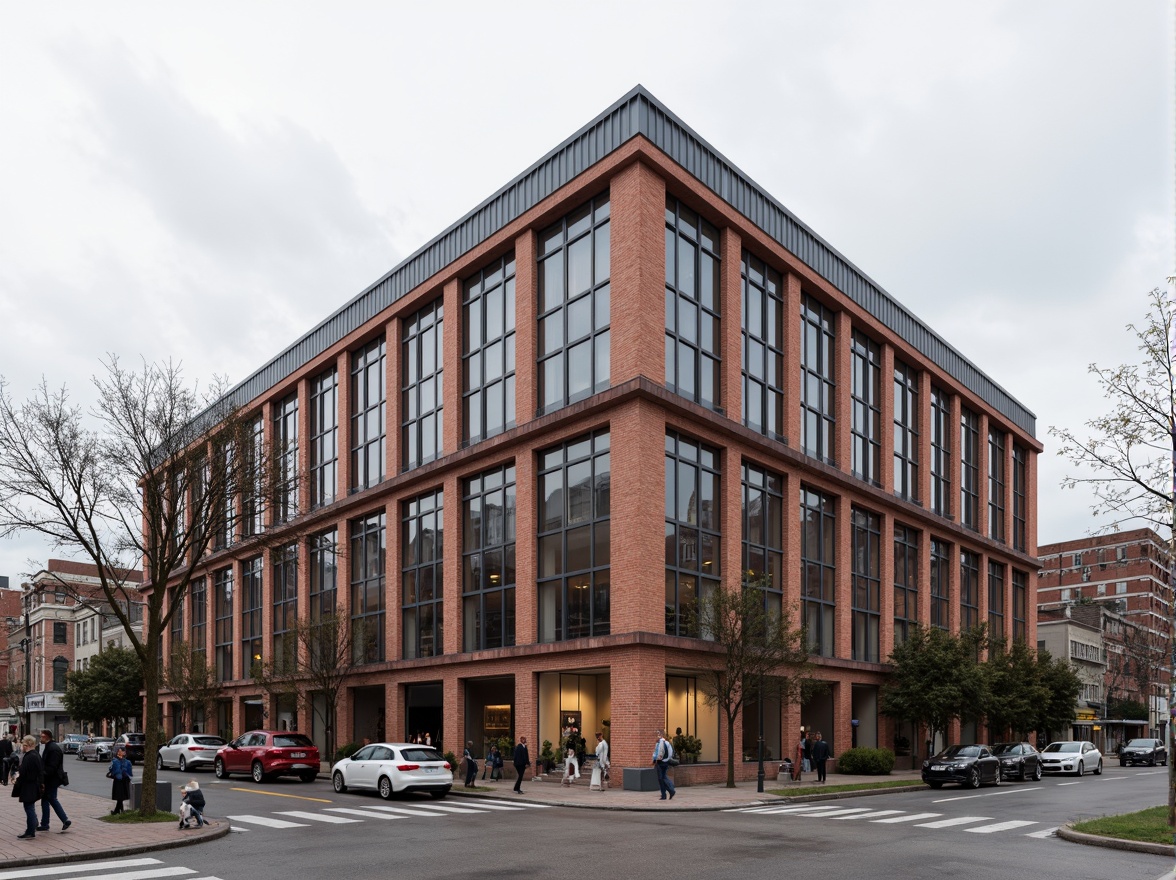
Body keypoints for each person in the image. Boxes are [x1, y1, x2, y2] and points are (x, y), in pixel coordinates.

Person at [38, 729, 70, 832]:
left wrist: (43, 774)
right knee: (46, 800)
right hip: (50, 779)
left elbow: (52, 767)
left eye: (42, 736)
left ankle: (65, 820)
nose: (40, 738)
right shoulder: (49, 747)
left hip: (52, 779)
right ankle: (45, 823)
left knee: (51, 799)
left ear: (47, 737)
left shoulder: (53, 748)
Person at [14, 735, 43, 839]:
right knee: (30, 806)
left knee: (28, 807)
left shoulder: (29, 756)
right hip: (34, 784)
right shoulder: (36, 755)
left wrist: (17, 779)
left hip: (28, 786)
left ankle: (30, 830)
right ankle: (33, 824)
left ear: (27, 744)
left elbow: (23, 771)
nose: (22, 745)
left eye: (23, 743)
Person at [652, 729, 676, 801]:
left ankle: (669, 791)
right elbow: (671, 753)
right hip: (665, 762)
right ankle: (666, 793)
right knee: (663, 777)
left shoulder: (660, 743)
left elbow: (658, 753)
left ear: (660, 735)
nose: (656, 737)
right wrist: (667, 759)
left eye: (657, 735)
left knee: (661, 779)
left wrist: (655, 760)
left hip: (660, 762)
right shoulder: (667, 743)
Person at [109, 746, 133, 814]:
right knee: (120, 796)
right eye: (119, 751)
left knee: (121, 796)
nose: (119, 753)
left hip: (124, 780)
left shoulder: (127, 762)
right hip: (118, 780)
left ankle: (117, 811)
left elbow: (130, 772)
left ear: (124, 753)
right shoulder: (114, 761)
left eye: (121, 751)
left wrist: (126, 774)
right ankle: (119, 810)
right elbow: (112, 769)